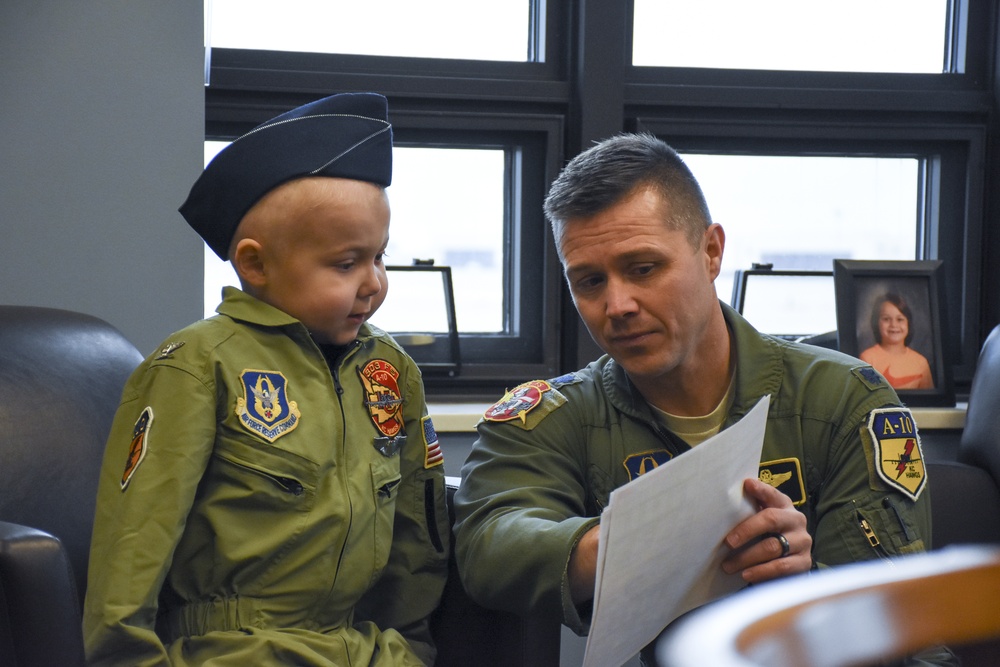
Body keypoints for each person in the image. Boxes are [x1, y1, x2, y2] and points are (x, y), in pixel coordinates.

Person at [453, 133, 951, 665]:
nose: (616, 305)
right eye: (590, 281)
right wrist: (623, 547)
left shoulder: (845, 398)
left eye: (643, 268)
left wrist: (800, 579)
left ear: (711, 252)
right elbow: (487, 541)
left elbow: (897, 606)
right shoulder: (556, 414)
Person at [83, 92, 450, 666]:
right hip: (232, 650)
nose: (373, 282)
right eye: (346, 263)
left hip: (365, 650)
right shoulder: (199, 364)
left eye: (380, 257)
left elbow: (416, 529)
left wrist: (413, 646)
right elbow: (133, 544)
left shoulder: (389, 369)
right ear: (255, 265)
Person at [860, 293, 935, 390]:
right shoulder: (867, 359)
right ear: (876, 323)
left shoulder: (920, 362)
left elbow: (929, 401)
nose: (894, 325)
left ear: (908, 323)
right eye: (886, 319)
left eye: (900, 319)